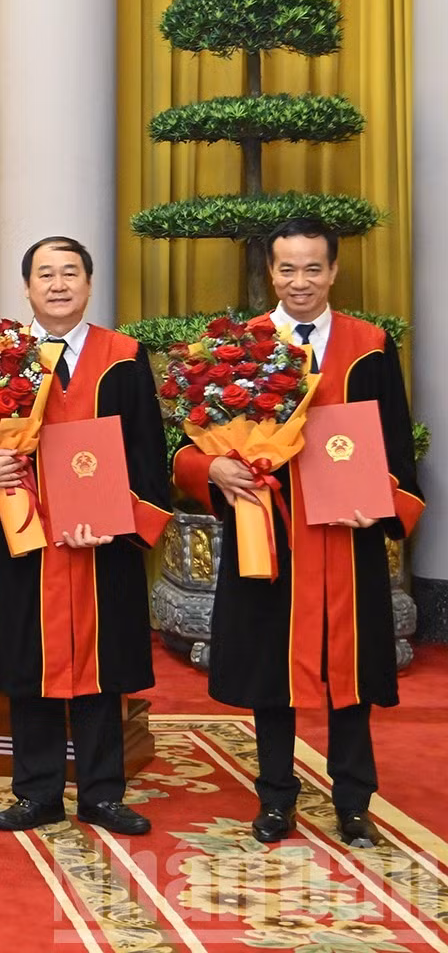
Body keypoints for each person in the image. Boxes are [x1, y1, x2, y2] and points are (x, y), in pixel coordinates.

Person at [175, 218, 423, 848]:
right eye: (287, 268)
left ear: (334, 271)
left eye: (313, 268)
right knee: (269, 670)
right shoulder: (240, 345)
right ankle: (277, 797)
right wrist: (215, 468)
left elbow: (396, 447)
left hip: (347, 538)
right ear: (271, 272)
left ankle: (352, 799)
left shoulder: (369, 346)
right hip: (270, 534)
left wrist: (384, 506)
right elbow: (187, 447)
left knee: (352, 673)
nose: (300, 281)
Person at [0, 236, 171, 836]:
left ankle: (104, 792)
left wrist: (117, 522)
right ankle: (36, 791)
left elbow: (147, 457)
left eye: (70, 273)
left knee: (102, 668)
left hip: (103, 544)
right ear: (26, 287)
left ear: (89, 283)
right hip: (26, 537)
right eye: (45, 274)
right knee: (30, 666)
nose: (58, 285)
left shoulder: (123, 357)